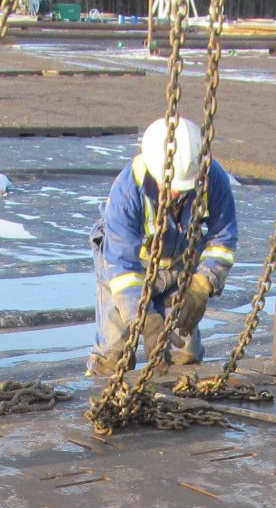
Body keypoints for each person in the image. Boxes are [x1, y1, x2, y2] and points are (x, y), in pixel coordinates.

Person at [88, 117, 239, 377]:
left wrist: (202, 283)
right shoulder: (127, 190)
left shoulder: (212, 178)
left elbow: (223, 238)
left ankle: (179, 403)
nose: (177, 195)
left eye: (184, 189)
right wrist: (144, 320)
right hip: (128, 267)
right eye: (170, 188)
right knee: (114, 353)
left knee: (184, 354)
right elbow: (122, 265)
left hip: (179, 264)